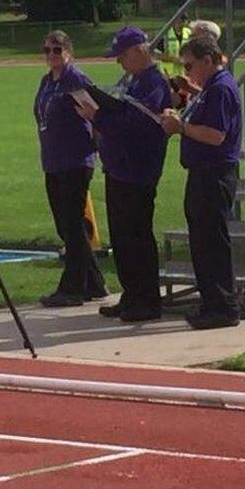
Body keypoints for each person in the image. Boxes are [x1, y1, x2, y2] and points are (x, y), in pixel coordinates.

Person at [75, 27, 172, 322]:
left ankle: (146, 299)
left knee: (137, 234)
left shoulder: (153, 83)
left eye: (122, 56)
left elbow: (137, 125)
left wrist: (98, 116)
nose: (119, 62)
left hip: (138, 169)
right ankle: (132, 294)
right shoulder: (135, 81)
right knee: (122, 235)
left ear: (140, 51)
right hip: (120, 167)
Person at [159, 37, 243, 330]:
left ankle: (223, 305)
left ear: (208, 61)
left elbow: (216, 134)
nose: (188, 70)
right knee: (202, 240)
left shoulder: (220, 88)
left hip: (214, 172)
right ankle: (212, 302)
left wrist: (180, 126)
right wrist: (191, 90)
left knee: (211, 242)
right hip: (203, 172)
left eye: (191, 65)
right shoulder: (211, 87)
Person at [33, 31, 107, 307]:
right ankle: (94, 282)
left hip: (75, 160)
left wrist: (101, 148)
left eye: (57, 50)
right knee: (65, 224)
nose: (52, 55)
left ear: (68, 52)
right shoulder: (46, 81)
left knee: (72, 223)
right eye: (47, 50)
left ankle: (72, 287)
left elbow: (97, 113)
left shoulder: (76, 79)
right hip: (52, 160)